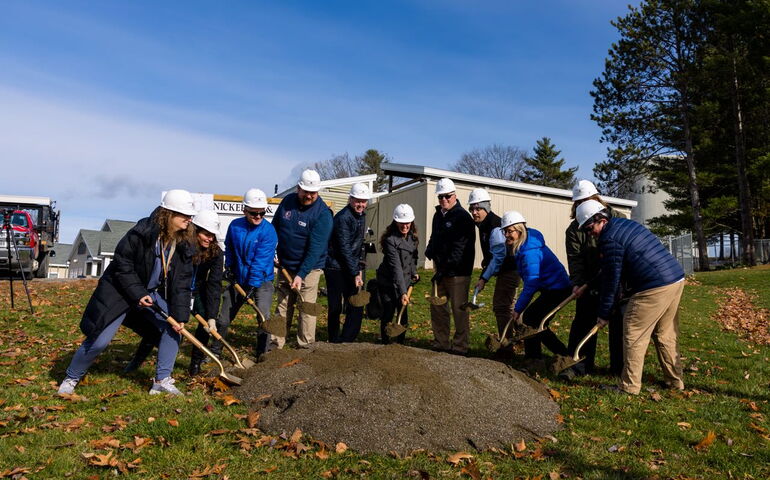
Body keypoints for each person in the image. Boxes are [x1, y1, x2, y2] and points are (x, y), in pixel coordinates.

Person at [58, 189, 196, 396]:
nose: (189, 219)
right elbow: (122, 265)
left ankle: (161, 380)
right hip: (119, 291)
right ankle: (71, 377)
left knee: (173, 328)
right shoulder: (141, 232)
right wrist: (138, 293)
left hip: (148, 293)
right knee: (99, 341)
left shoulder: (183, 244)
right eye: (184, 215)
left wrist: (180, 315)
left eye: (190, 215)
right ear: (168, 214)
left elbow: (182, 283)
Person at [577, 199, 685, 395]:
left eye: (589, 227)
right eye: (585, 230)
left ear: (600, 219)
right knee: (665, 334)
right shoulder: (623, 224)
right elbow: (612, 267)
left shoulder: (609, 240)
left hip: (653, 286)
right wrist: (589, 283)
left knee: (634, 335)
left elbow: (612, 282)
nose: (589, 233)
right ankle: (674, 382)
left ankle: (629, 387)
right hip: (675, 278)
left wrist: (603, 314)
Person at [123, 209, 224, 377]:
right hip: (173, 289)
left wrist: (212, 316)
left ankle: (195, 364)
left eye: (213, 235)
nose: (210, 239)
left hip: (196, 291)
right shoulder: (182, 245)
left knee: (205, 324)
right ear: (196, 230)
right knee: (163, 324)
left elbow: (214, 284)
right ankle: (137, 360)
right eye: (206, 234)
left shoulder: (216, 253)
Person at [563, 180, 624, 377]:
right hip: (589, 282)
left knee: (618, 324)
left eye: (586, 200)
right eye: (578, 202)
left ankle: (618, 369)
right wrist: (578, 283)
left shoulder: (617, 217)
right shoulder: (574, 230)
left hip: (617, 279)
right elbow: (575, 259)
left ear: (596, 198)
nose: (582, 204)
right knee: (583, 322)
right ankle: (578, 365)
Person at [271, 169, 333, 349]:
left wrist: (301, 274)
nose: (309, 196)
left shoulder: (323, 214)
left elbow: (316, 249)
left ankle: (305, 345)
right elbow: (275, 228)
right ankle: (276, 343)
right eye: (305, 191)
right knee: (283, 306)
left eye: (313, 193)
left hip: (309, 268)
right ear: (298, 188)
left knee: (306, 308)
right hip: (285, 265)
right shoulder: (287, 202)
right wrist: (273, 252)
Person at [212, 188, 277, 358]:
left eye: (262, 213)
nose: (258, 217)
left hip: (262, 281)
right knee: (224, 318)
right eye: (253, 213)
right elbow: (230, 248)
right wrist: (231, 267)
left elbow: (260, 263)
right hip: (238, 279)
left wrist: (251, 286)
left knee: (263, 317)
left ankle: (263, 353)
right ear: (244, 210)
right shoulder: (235, 226)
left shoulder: (268, 231)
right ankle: (215, 351)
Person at [503, 211, 571, 366]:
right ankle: (534, 356)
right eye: (505, 231)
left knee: (533, 320)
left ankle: (561, 355)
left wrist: (518, 308)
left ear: (520, 230)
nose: (506, 234)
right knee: (533, 319)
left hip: (558, 288)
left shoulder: (529, 252)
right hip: (549, 287)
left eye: (510, 231)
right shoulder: (524, 244)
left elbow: (532, 283)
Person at [424, 178, 476, 355]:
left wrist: (444, 269)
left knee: (459, 309)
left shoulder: (462, 217)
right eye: (440, 197)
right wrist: (430, 249)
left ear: (455, 195)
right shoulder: (438, 215)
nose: (444, 200)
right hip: (440, 269)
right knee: (438, 307)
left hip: (458, 271)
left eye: (447, 196)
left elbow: (459, 249)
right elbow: (435, 236)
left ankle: (460, 346)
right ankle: (441, 342)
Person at [468, 188, 520, 351]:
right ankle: (520, 339)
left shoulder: (495, 227)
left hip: (510, 270)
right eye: (472, 209)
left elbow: (498, 258)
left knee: (501, 306)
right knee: (510, 306)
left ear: (486, 208)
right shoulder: (483, 225)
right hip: (505, 270)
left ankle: (507, 344)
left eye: (478, 208)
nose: (474, 212)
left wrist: (484, 278)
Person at [325, 182, 370, 343]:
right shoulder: (343, 218)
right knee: (336, 306)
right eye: (357, 201)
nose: (361, 204)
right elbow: (343, 248)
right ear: (350, 199)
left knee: (355, 303)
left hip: (351, 265)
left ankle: (348, 338)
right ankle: (334, 338)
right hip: (335, 266)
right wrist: (355, 272)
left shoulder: (361, 216)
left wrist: (357, 267)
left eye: (363, 201)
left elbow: (356, 246)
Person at [376, 204, 419, 344]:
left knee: (403, 312)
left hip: (404, 280)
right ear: (395, 222)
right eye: (401, 223)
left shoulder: (413, 238)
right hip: (388, 281)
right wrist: (403, 292)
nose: (405, 226)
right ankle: (386, 341)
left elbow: (413, 258)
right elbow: (396, 268)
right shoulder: (390, 240)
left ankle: (400, 344)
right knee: (388, 310)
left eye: (407, 223)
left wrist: (414, 272)